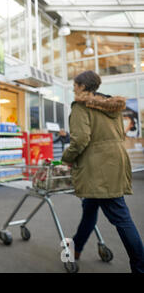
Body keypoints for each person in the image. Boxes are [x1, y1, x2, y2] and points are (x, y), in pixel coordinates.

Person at [62, 70, 144, 273]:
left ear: (82, 87)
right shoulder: (111, 105)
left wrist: (66, 158)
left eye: (75, 85)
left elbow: (80, 139)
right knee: (89, 209)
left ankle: (140, 267)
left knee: (121, 216)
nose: (73, 89)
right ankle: (76, 248)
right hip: (114, 160)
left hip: (97, 167)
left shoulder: (81, 106)